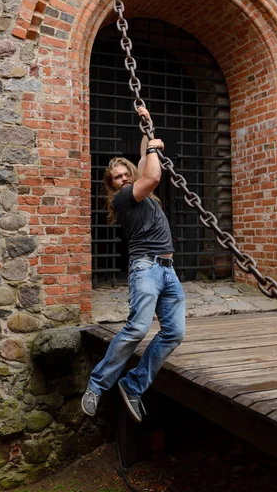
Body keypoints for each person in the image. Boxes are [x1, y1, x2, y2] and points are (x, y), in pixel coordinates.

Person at [82, 106, 186, 423]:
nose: (124, 178)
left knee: (174, 332)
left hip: (168, 270)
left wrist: (147, 126)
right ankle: (97, 386)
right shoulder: (123, 199)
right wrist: (155, 146)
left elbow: (146, 162)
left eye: (126, 173)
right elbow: (153, 173)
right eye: (117, 177)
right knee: (138, 327)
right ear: (112, 185)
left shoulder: (139, 187)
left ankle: (134, 384)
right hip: (145, 269)